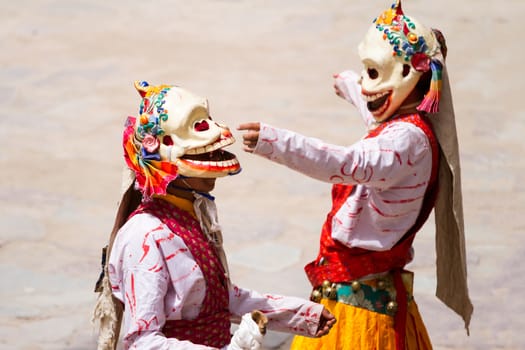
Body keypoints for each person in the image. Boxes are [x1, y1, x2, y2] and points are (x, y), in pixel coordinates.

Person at [237, 1, 473, 349]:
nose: (366, 85)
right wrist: (350, 85)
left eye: (373, 73)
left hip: (361, 316)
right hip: (348, 292)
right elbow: (376, 121)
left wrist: (275, 142)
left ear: (410, 73)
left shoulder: (407, 142)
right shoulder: (405, 127)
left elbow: (344, 162)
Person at [92, 81, 335, 350]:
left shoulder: (191, 218)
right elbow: (142, 341)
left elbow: (218, 300)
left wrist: (301, 314)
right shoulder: (144, 238)